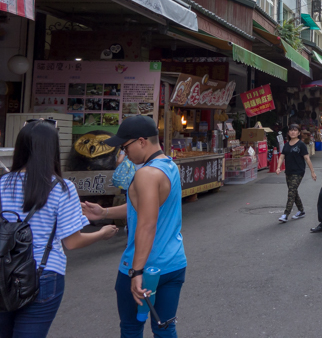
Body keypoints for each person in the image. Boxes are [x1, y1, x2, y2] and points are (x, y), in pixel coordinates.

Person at [0, 120, 118, 336]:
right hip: (43, 274)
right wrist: (101, 234)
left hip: (3, 273)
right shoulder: (61, 188)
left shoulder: (2, 183)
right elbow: (72, 242)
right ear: (52, 150)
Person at [82, 115, 186, 338]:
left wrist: (136, 271)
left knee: (131, 328)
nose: (122, 153)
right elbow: (143, 209)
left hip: (143, 267)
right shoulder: (169, 166)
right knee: (165, 327)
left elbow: (147, 225)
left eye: (124, 146)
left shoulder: (145, 174)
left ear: (141, 141)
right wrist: (105, 212)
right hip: (173, 263)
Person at [276, 124, 317, 223]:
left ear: (299, 133)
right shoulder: (286, 144)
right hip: (288, 172)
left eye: (295, 130)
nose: (293, 132)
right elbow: (282, 156)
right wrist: (278, 167)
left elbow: (307, 158)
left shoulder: (301, 144)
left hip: (298, 172)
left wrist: (312, 172)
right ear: (288, 133)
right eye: (291, 130)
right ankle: (301, 211)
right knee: (294, 192)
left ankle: (286, 214)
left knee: (291, 193)